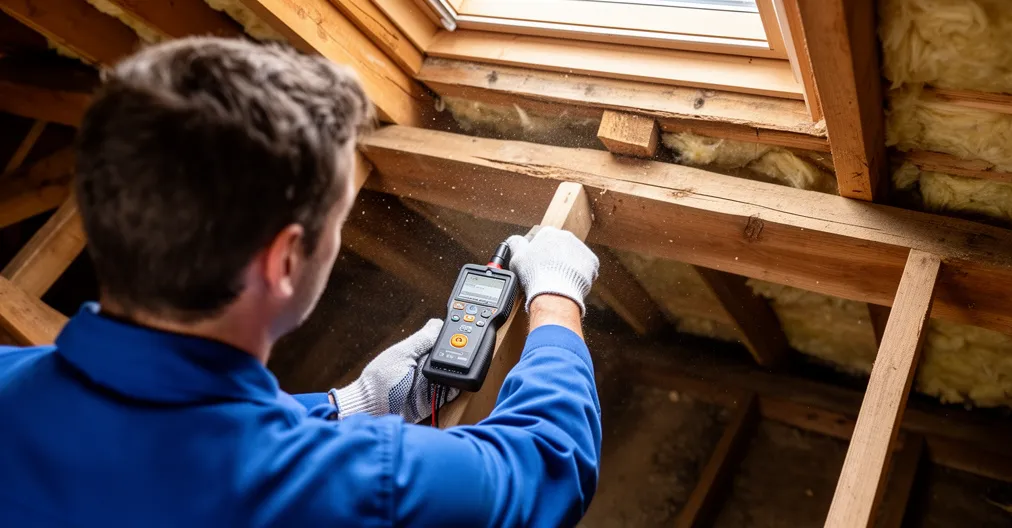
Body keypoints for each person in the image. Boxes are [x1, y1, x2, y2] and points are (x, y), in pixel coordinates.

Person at [0, 37, 602, 527]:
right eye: (336, 219)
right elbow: (545, 465)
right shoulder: (364, 485)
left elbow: (172, 424)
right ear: (284, 260)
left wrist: (349, 406)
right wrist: (556, 295)